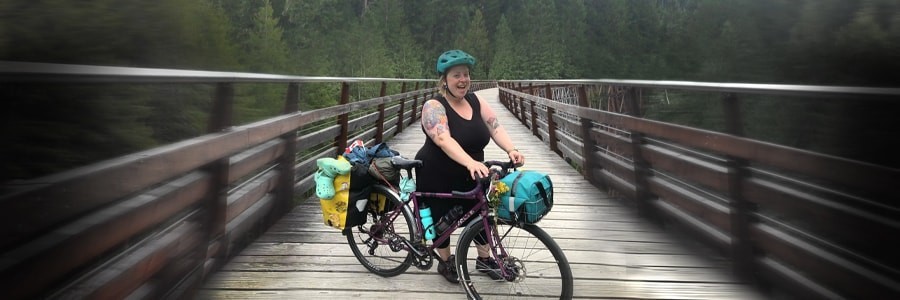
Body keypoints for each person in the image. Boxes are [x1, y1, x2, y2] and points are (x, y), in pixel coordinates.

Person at [414, 49, 525, 283]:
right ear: (444, 80)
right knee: (441, 218)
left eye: (466, 74)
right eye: (456, 75)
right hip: (438, 171)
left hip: (472, 172)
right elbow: (443, 138)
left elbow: (495, 127)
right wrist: (470, 162)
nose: (463, 80)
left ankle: (484, 260)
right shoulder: (433, 106)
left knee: (480, 213)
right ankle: (445, 262)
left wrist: (511, 149)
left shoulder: (476, 100)